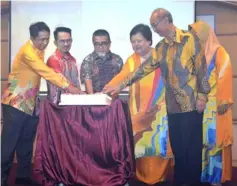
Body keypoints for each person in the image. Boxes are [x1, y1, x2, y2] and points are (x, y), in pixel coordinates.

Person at [104, 8, 211, 186]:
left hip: (192, 104)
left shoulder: (189, 38)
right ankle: (181, 182)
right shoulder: (161, 48)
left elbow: (201, 68)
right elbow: (142, 70)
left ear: (166, 20)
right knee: (178, 148)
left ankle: (192, 183)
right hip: (173, 107)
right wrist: (120, 84)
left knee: (192, 149)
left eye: (155, 24)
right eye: (152, 25)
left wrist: (202, 97)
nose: (153, 29)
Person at [1, 22, 83, 186]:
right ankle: (2, 179)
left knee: (26, 142)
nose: (44, 43)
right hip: (15, 102)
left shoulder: (39, 49)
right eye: (41, 40)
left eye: (46, 39)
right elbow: (45, 72)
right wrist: (69, 86)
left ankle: (22, 178)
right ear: (32, 38)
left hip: (31, 104)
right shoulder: (28, 51)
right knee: (9, 145)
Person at [105, 24, 173, 185]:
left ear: (149, 40)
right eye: (133, 41)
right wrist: (107, 90)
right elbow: (121, 78)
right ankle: (142, 177)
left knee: (158, 144)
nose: (136, 45)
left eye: (139, 41)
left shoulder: (161, 57)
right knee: (140, 146)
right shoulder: (131, 60)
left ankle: (160, 177)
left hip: (159, 111)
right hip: (138, 113)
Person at [189, 21, 233, 185]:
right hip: (199, 106)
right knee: (201, 142)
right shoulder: (196, 54)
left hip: (215, 107)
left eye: (195, 35)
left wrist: (223, 100)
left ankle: (216, 177)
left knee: (214, 141)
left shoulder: (219, 52)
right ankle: (203, 176)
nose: (192, 38)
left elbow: (225, 75)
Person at [80, 29, 123, 93]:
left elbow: (120, 82)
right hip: (94, 99)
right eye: (97, 44)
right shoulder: (88, 60)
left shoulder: (117, 60)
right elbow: (88, 83)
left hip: (114, 99)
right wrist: (95, 100)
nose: (100, 47)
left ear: (109, 43)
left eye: (104, 43)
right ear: (93, 44)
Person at [47, 27, 82, 104]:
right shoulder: (53, 60)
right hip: (58, 106)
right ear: (55, 43)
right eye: (62, 41)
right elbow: (61, 82)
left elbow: (76, 83)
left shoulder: (73, 60)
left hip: (73, 103)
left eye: (68, 40)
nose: (66, 44)